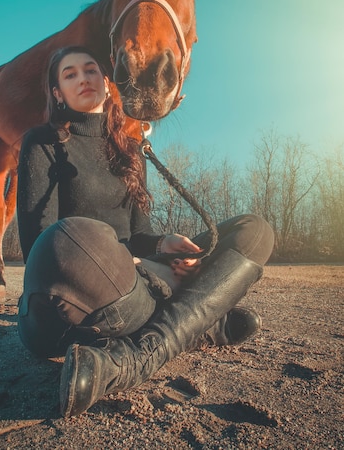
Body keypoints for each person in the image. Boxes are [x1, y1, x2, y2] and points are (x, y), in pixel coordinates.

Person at [16, 45, 274, 418]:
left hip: (137, 287)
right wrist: (142, 262)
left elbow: (139, 234)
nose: (83, 78)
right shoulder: (42, 142)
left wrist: (161, 244)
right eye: (69, 74)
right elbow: (39, 241)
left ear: (107, 83)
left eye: (90, 70)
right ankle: (200, 324)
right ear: (57, 93)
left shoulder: (130, 150)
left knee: (256, 230)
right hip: (68, 298)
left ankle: (136, 357)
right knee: (70, 238)